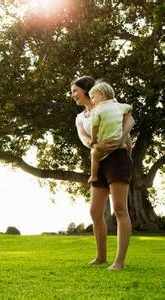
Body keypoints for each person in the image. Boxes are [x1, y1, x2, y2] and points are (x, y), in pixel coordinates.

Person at [71, 76, 134, 271]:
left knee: (119, 209)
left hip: (118, 157)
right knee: (95, 211)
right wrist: (96, 144)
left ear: (87, 90)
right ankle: (101, 257)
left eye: (75, 91)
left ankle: (119, 262)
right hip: (98, 159)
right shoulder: (80, 118)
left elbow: (129, 119)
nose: (73, 95)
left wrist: (120, 140)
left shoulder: (109, 104)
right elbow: (84, 138)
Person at [88, 82, 132, 184]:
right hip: (119, 143)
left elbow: (94, 127)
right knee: (128, 141)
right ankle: (129, 158)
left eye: (93, 97)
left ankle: (93, 176)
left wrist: (93, 140)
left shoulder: (97, 110)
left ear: (102, 94)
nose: (92, 101)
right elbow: (129, 108)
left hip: (105, 143)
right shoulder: (119, 106)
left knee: (94, 154)